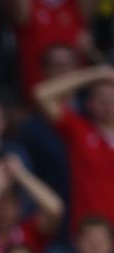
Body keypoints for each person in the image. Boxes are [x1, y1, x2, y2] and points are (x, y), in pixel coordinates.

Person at [34, 64, 114, 234]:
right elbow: (41, 94)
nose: (108, 104)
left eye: (113, 98)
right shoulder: (79, 130)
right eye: (101, 98)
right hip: (87, 235)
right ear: (89, 104)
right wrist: (94, 75)